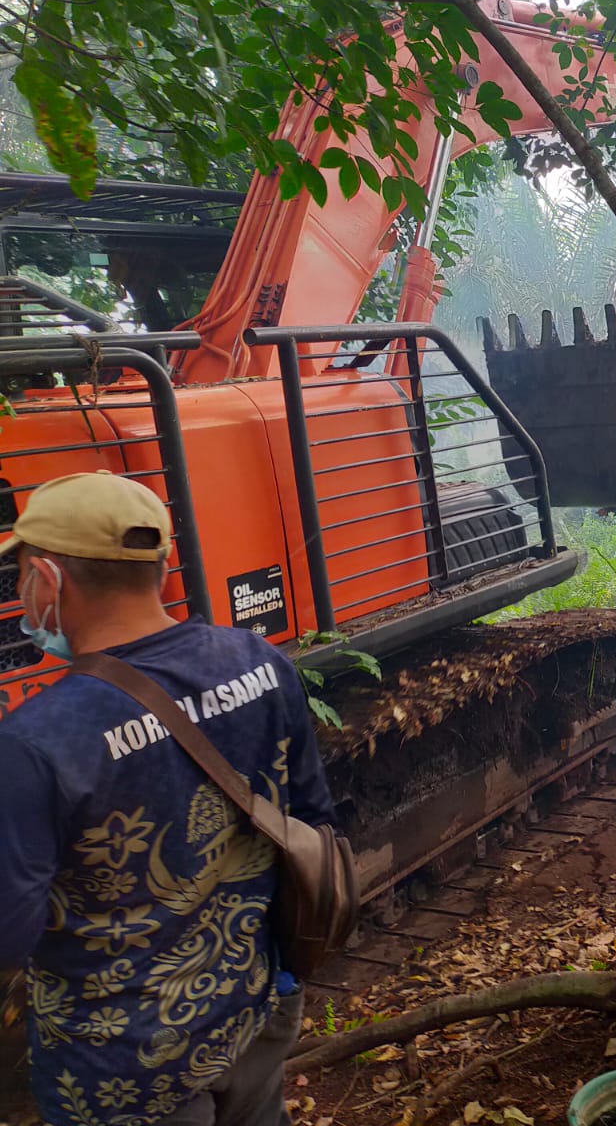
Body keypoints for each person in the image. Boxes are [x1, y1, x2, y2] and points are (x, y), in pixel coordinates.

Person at [0, 471, 336, 1126]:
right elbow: (313, 818)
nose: (19, 593)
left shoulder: (35, 744)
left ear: (48, 578)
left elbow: (9, 936)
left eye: (19, 576)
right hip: (256, 1008)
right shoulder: (262, 662)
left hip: (124, 1069)